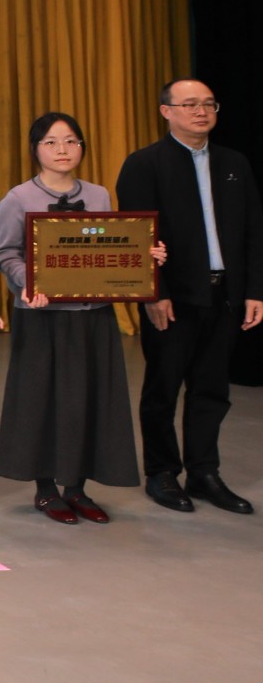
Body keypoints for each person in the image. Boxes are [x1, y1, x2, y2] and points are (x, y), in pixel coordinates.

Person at [0, 112, 165, 524]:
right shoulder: (17, 198)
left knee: (91, 398)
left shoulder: (99, 194)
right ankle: (46, 490)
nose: (63, 150)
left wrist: (145, 256)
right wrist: (29, 281)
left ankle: (77, 488)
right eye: (51, 142)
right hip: (42, 316)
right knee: (42, 400)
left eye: (71, 141)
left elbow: (114, 245)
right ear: (35, 150)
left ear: (82, 147)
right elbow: (5, 254)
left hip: (93, 314)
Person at [115, 79, 263, 515]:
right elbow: (136, 237)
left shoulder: (234, 163)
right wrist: (153, 293)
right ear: (166, 111)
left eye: (209, 104)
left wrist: (254, 291)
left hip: (225, 296)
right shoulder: (145, 164)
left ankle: (204, 472)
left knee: (212, 389)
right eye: (190, 104)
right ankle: (161, 473)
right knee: (163, 389)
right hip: (173, 300)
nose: (202, 112)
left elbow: (254, 230)